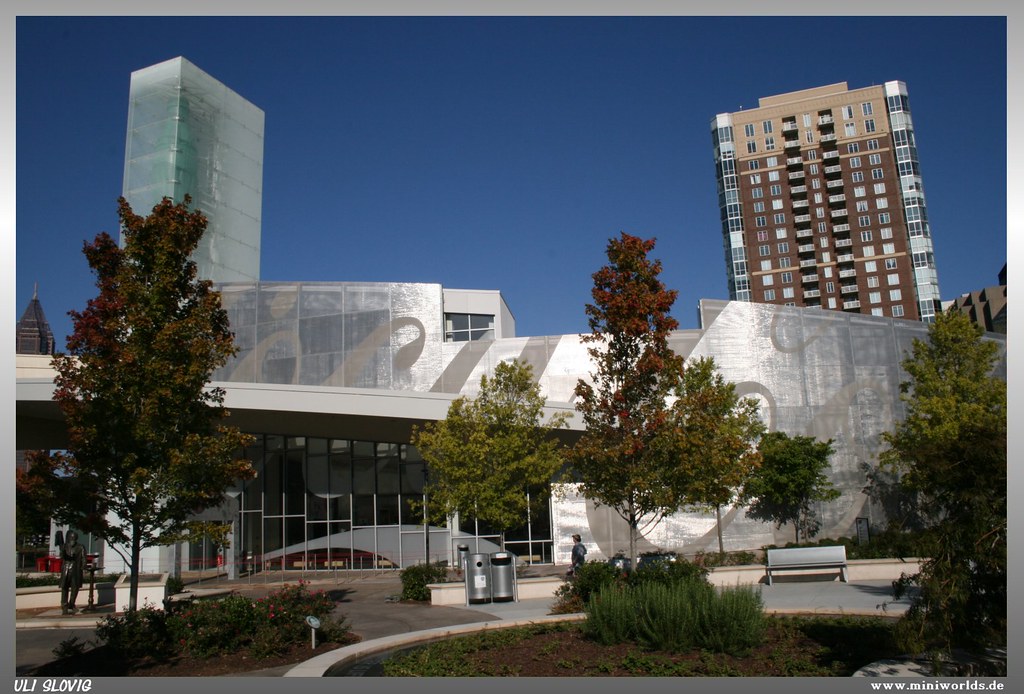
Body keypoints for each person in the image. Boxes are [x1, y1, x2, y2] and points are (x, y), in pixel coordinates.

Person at [59, 530, 86, 615]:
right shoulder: (65, 546)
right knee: (65, 588)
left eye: (73, 538)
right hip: (66, 569)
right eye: (71, 538)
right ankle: (64, 605)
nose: (72, 539)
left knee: (75, 588)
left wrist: (84, 565)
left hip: (76, 569)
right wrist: (62, 550)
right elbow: (62, 556)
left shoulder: (81, 547)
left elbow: (84, 558)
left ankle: (72, 603)